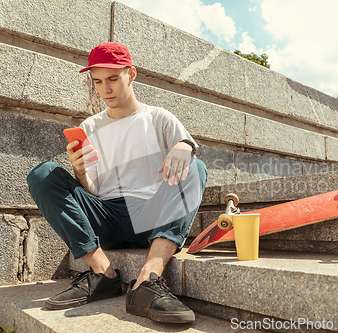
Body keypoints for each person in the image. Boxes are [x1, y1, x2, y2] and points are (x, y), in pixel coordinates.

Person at [26, 42, 208, 324]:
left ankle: (148, 281)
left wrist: (184, 146)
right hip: (106, 215)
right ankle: (102, 275)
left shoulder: (159, 118)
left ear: (131, 74)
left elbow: (187, 156)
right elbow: (90, 192)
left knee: (195, 167)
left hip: (151, 217)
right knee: (43, 173)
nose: (105, 89)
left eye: (113, 79)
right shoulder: (89, 127)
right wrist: (79, 171)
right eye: (97, 81)